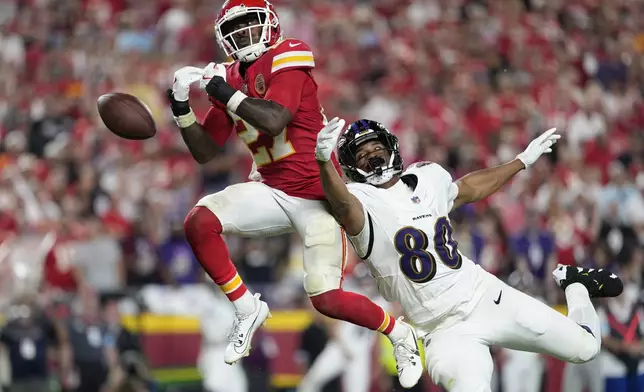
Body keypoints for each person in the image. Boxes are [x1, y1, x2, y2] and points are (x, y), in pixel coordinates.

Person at [165, 0, 422, 385]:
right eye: (235, 28)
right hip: (271, 189)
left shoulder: (289, 54)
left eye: (251, 25)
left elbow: (274, 118)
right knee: (199, 221)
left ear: (270, 25)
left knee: (326, 299)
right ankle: (246, 307)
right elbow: (205, 151)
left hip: (320, 198)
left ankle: (400, 334)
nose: (244, 35)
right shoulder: (230, 77)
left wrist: (224, 90)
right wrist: (181, 105)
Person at [313, 117, 625, 392]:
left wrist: (520, 161)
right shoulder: (358, 199)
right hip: (441, 331)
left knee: (585, 348)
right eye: (362, 154)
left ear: (391, 146)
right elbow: (342, 206)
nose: (372, 156)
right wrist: (324, 162)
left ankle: (575, 284)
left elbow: (469, 188)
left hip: (483, 294)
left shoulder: (427, 177)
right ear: (352, 167)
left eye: (375, 147)